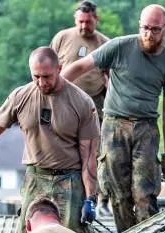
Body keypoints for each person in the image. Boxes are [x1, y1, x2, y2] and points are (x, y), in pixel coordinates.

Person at [0, 47, 100, 233]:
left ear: (59, 68)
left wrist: (90, 198)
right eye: (36, 76)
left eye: (46, 76)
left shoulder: (81, 102)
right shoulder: (20, 97)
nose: (41, 82)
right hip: (35, 178)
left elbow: (88, 156)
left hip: (70, 180)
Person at [61, 4, 165, 233]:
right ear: (139, 25)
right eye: (145, 28)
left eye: (155, 29)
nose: (149, 34)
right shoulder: (120, 46)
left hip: (146, 128)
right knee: (118, 193)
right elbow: (82, 65)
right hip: (114, 125)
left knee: (145, 194)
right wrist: (56, 86)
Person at [50, 0, 112, 215]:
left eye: (88, 22)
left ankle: (97, 197)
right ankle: (60, 194)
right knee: (62, 145)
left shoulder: (105, 43)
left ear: (96, 19)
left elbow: (109, 77)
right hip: (64, 101)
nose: (84, 26)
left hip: (94, 102)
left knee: (94, 151)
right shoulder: (63, 37)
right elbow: (50, 67)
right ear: (75, 20)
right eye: (80, 22)